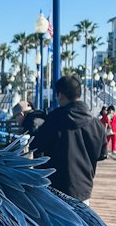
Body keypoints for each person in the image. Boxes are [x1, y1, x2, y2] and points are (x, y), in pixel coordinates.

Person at [29, 74, 105, 202]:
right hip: (84, 189)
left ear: (61, 95)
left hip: (56, 189)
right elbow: (101, 154)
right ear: (79, 93)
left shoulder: (55, 119)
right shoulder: (95, 123)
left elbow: (35, 145)